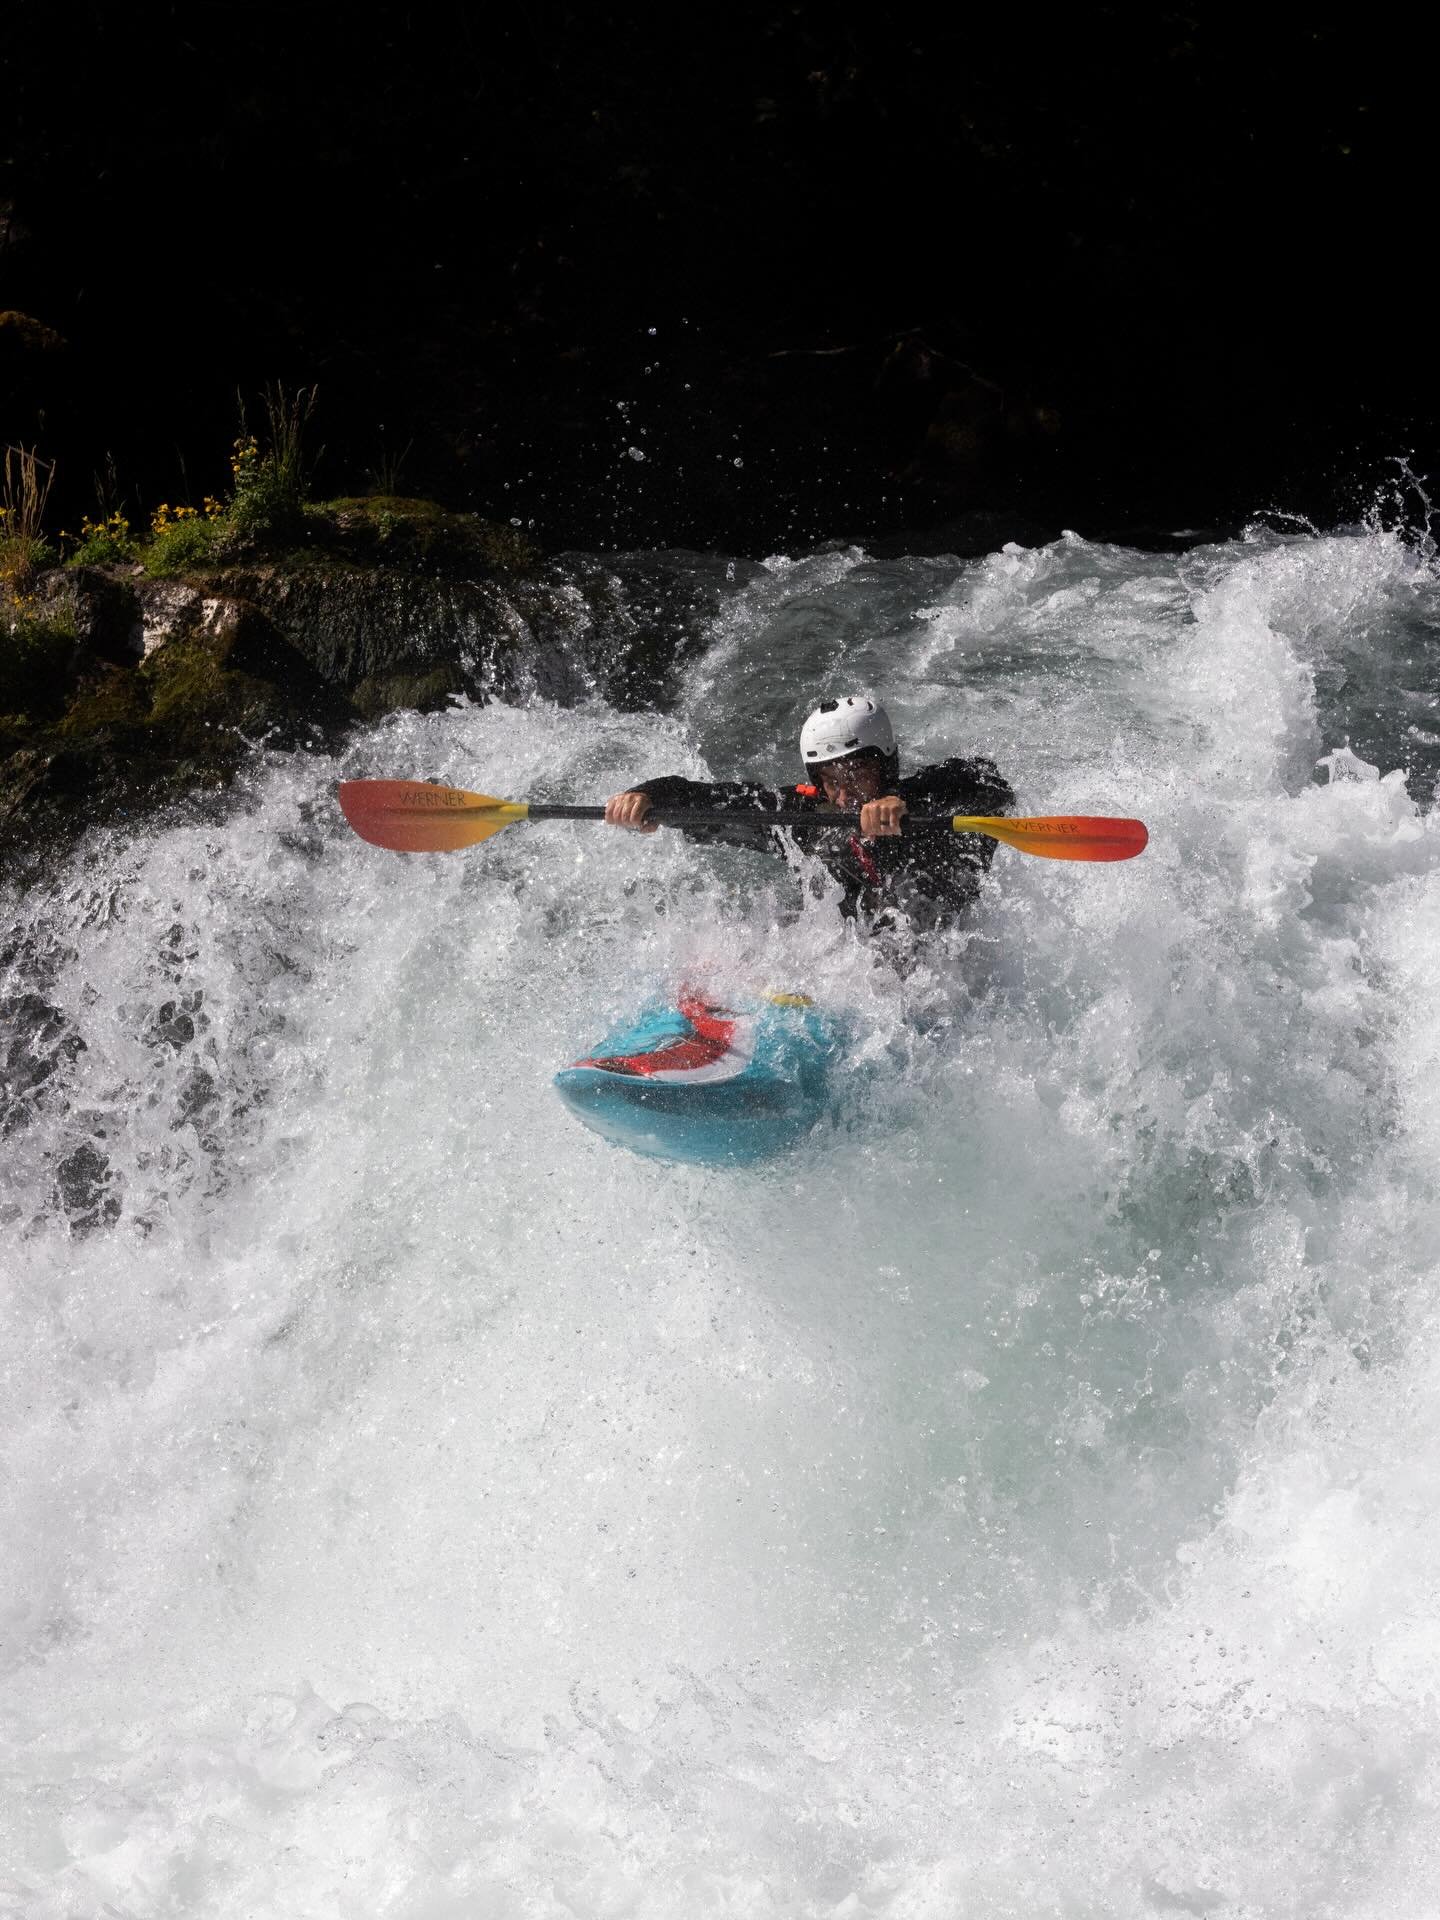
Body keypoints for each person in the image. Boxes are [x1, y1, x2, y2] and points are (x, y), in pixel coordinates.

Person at [604, 693, 1014, 944]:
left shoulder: (925, 804)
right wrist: (650, 796)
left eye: (856, 776)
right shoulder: (803, 820)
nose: (843, 795)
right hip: (850, 954)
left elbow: (987, 780)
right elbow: (712, 801)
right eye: (830, 781)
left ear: (886, 769)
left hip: (943, 953)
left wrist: (899, 798)